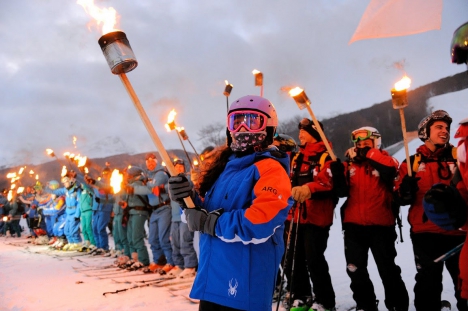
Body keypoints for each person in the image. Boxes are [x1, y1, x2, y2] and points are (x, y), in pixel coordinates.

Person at [168, 95, 293, 311]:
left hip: (244, 284)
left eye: (253, 121)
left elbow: (259, 223)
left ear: (269, 129)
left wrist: (210, 223)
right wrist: (187, 197)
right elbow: (208, 211)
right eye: (237, 121)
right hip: (214, 276)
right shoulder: (226, 168)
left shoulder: (271, 170)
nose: (244, 127)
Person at [395, 110, 467, 311]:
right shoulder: (411, 163)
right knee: (428, 284)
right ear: (425, 132)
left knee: (464, 284)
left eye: (446, 128)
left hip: (459, 232)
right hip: (425, 234)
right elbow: (398, 199)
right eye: (439, 127)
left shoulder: (460, 157)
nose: (444, 131)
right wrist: (405, 190)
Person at [339, 126, 408, 311]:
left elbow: (391, 169)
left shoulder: (387, 159)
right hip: (354, 226)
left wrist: (370, 153)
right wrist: (338, 171)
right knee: (355, 269)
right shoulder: (351, 165)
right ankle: (365, 305)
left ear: (376, 143)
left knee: (387, 270)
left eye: (366, 143)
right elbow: (340, 190)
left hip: (381, 225)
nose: (361, 147)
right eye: (358, 144)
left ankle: (396, 305)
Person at [285, 118, 338, 311]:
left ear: (315, 134)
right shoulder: (298, 157)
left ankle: (325, 300)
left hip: (317, 217)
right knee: (293, 257)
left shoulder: (326, 156)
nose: (300, 134)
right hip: (296, 215)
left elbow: (329, 181)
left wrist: (309, 188)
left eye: (304, 131)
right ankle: (302, 296)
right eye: (299, 131)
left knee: (314, 258)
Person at [132, 153, 173, 274]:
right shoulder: (147, 175)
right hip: (154, 210)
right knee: (153, 238)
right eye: (148, 161)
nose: (150, 163)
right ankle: (158, 260)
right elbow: (147, 185)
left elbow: (152, 188)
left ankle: (171, 262)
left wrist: (136, 187)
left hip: (164, 208)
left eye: (152, 160)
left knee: (163, 238)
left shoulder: (160, 174)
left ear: (156, 161)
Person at [167, 158, 198, 279]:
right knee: (175, 241)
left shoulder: (188, 179)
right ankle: (179, 265)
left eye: (181, 166)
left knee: (185, 240)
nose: (179, 168)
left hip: (185, 215)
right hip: (175, 216)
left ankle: (190, 266)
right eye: (176, 166)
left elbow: (191, 187)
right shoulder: (170, 181)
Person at [120, 166, 151, 270]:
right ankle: (135, 257)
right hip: (131, 212)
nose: (128, 177)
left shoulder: (138, 184)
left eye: (129, 175)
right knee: (130, 236)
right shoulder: (130, 185)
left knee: (137, 237)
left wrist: (126, 186)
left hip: (139, 212)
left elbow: (140, 191)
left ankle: (143, 260)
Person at [47, 171, 82, 251]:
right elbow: (56, 191)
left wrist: (77, 214)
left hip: (74, 213)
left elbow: (80, 203)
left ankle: (77, 243)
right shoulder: (65, 190)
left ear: (70, 181)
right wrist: (47, 188)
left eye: (66, 182)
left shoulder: (76, 190)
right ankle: (71, 243)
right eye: (64, 182)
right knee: (67, 230)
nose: (64, 184)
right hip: (68, 213)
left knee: (73, 230)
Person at [84, 167, 114, 255]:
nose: (105, 175)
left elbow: (104, 195)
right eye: (104, 173)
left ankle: (104, 247)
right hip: (96, 208)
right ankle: (98, 246)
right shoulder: (98, 182)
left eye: (107, 173)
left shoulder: (110, 184)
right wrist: (86, 183)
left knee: (101, 228)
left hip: (105, 208)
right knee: (95, 228)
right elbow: (91, 189)